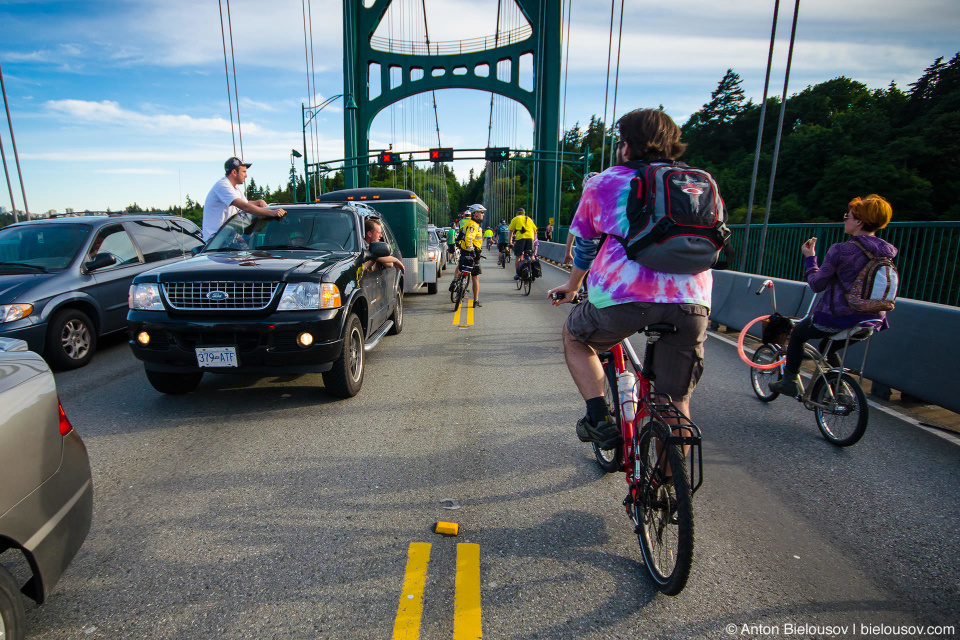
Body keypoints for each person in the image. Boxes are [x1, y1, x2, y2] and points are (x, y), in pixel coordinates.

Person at [547, 108, 711, 448]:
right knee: (675, 403)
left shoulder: (604, 182)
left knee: (577, 338)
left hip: (623, 296)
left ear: (625, 146)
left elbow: (587, 245)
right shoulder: (700, 182)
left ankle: (598, 418)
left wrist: (573, 284)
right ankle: (668, 493)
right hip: (693, 299)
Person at [769, 194, 898, 397]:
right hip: (872, 319)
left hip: (838, 316)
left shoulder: (841, 249)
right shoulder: (885, 252)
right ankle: (838, 389)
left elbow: (817, 284)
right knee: (827, 347)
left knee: (798, 334)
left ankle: (789, 382)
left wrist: (810, 259)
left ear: (859, 222)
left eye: (848, 216)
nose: (844, 219)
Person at [202, 157, 286, 241]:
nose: (246, 175)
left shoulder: (236, 188)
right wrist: (272, 212)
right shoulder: (223, 185)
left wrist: (259, 202)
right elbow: (245, 207)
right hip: (216, 240)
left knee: (246, 247)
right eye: (244, 172)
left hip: (228, 235)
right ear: (234, 172)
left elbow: (247, 203)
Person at [450, 204, 485, 307]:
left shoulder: (467, 223)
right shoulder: (474, 225)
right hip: (473, 252)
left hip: (464, 251)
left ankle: (455, 281)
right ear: (475, 214)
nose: (483, 214)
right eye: (481, 212)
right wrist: (472, 250)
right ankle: (475, 300)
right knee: (475, 277)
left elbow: (462, 235)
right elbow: (469, 238)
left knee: (461, 266)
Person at [508, 207, 537, 279]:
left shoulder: (515, 219)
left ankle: (517, 274)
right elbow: (535, 231)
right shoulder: (529, 219)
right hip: (530, 239)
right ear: (524, 214)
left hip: (520, 239)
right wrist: (534, 240)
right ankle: (534, 271)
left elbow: (511, 231)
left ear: (517, 213)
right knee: (531, 256)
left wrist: (509, 242)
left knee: (518, 256)